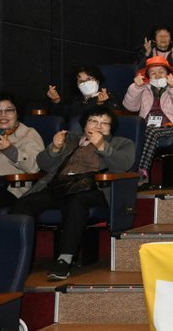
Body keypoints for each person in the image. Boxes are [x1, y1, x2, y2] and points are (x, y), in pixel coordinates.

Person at [10, 105, 134, 280]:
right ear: (84, 124)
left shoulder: (122, 143)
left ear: (111, 128)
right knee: (25, 203)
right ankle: (16, 257)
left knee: (76, 202)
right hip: (60, 187)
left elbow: (122, 166)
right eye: (93, 121)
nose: (98, 126)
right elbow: (43, 164)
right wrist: (54, 148)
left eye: (104, 123)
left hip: (92, 189)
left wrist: (101, 145)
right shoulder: (70, 140)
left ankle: (64, 259)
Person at [123, 55, 173, 187]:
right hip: (147, 127)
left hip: (172, 126)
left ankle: (141, 171)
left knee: (150, 131)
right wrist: (136, 88)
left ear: (168, 74)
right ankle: (131, 173)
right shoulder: (143, 88)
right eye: (153, 73)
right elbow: (130, 107)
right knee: (144, 131)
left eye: (161, 72)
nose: (157, 75)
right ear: (147, 76)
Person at [47, 65, 116, 127]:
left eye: (89, 79)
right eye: (81, 81)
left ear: (97, 81)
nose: (85, 83)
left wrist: (100, 104)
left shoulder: (108, 97)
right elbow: (60, 118)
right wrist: (56, 101)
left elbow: (109, 121)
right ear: (77, 85)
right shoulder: (74, 99)